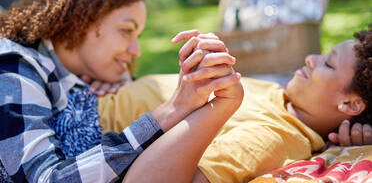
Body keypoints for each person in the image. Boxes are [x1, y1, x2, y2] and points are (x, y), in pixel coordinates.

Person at [0, 0, 244, 182]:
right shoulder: (12, 67)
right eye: (126, 30)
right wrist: (172, 109)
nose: (136, 50)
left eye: (138, 35)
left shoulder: (80, 77)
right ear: (83, 18)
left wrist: (125, 84)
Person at [99, 26, 372, 182]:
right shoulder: (282, 95)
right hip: (98, 92)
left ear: (350, 104)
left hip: (87, 131)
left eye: (328, 63)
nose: (311, 58)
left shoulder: (272, 137)